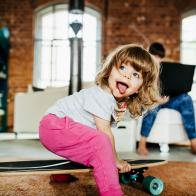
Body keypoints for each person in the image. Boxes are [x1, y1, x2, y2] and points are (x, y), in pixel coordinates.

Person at [39, 44, 165, 196]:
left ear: (140, 87)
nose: (127, 76)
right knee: (101, 141)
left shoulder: (113, 101)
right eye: (123, 68)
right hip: (54, 126)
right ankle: (111, 192)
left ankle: (61, 174)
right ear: (110, 69)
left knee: (91, 144)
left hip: (56, 128)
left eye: (136, 75)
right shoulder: (102, 95)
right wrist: (115, 160)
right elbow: (104, 132)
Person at [137, 42, 196, 155]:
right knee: (152, 106)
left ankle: (193, 142)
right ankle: (142, 143)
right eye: (155, 56)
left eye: (160, 57)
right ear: (149, 54)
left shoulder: (166, 68)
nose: (158, 59)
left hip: (169, 99)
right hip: (154, 100)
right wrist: (157, 99)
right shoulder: (143, 69)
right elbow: (142, 92)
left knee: (186, 98)